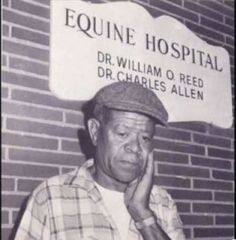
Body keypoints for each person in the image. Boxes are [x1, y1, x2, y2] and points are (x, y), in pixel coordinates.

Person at [14, 82, 186, 240]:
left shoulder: (162, 201)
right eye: (122, 134)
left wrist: (144, 216)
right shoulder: (50, 197)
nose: (135, 147)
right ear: (95, 132)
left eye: (145, 138)